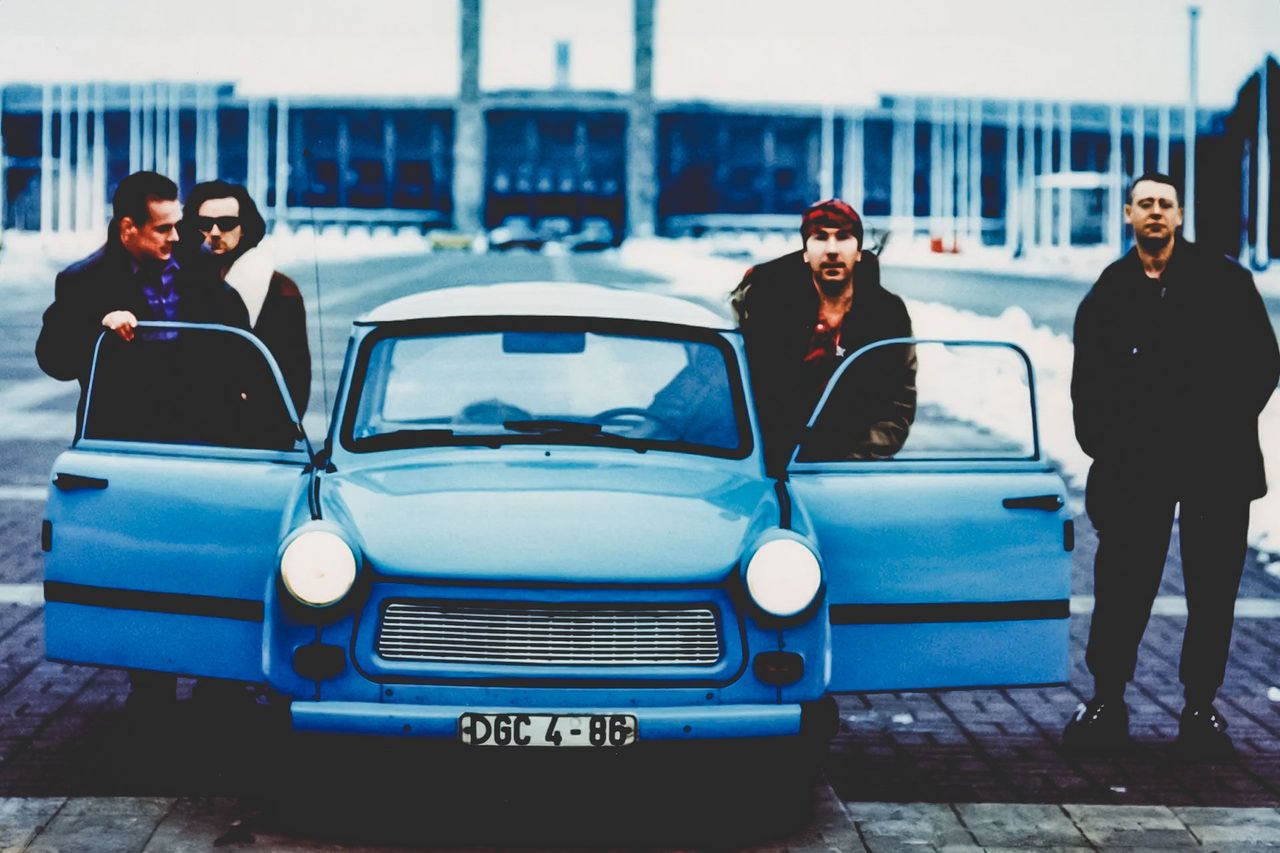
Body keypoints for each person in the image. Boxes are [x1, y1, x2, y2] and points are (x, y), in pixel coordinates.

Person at [1064, 173, 1280, 754]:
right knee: (1122, 586)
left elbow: (1263, 362)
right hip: (1137, 464)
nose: (1155, 212)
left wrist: (1224, 423)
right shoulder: (1110, 291)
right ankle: (1107, 701)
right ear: (1129, 215)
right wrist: (1105, 444)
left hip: (1217, 463)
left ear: (1180, 215)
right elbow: (1088, 382)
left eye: (1165, 204)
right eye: (1145, 204)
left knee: (1213, 591)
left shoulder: (1224, 281)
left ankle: (1200, 708)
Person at [35, 171, 239, 439]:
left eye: (176, 225)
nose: (175, 237)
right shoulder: (84, 281)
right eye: (163, 229)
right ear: (128, 228)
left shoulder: (199, 263)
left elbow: (235, 327)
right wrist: (98, 323)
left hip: (196, 431)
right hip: (120, 434)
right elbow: (54, 360)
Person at [730, 198, 916, 473]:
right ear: (805, 252)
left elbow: (898, 404)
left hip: (848, 473)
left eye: (843, 237)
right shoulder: (767, 306)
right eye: (820, 237)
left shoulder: (887, 314)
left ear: (859, 251)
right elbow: (732, 385)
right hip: (767, 465)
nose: (831, 250)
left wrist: (851, 465)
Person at [180, 180, 311, 418]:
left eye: (227, 224)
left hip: (253, 423)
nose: (215, 232)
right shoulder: (177, 278)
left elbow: (294, 374)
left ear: (244, 228)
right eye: (204, 224)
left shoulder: (279, 288)